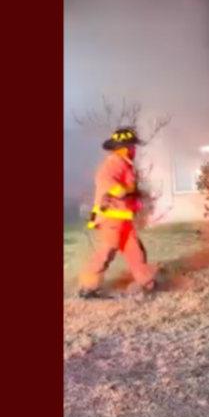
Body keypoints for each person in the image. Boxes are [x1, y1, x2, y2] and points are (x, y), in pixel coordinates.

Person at [77, 127, 159, 299]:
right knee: (106, 251)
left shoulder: (125, 164)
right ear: (125, 147)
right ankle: (87, 287)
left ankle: (148, 283)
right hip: (111, 218)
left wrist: (136, 196)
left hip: (123, 218)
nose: (134, 150)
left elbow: (128, 189)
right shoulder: (115, 162)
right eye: (132, 146)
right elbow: (104, 179)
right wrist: (121, 191)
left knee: (135, 251)